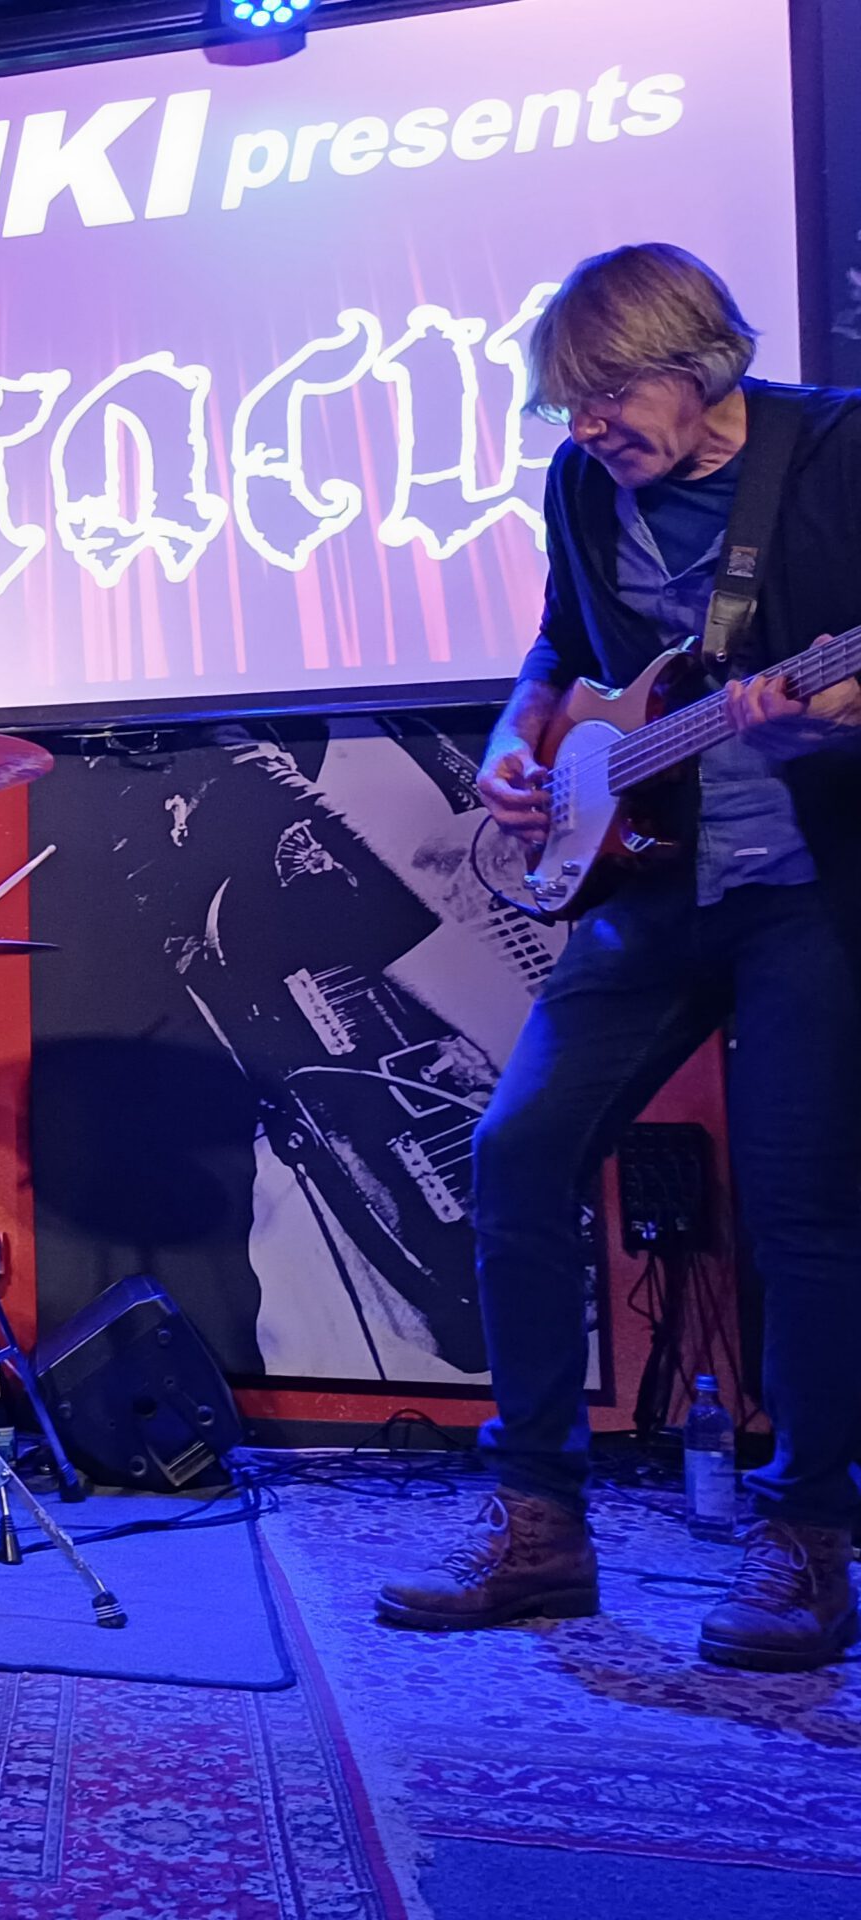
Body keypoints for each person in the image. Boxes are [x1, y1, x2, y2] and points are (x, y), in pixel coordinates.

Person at [377, 245, 861, 1671]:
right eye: (569, 404)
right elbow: (555, 651)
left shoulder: (836, 450)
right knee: (515, 1156)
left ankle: (808, 1539)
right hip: (645, 887)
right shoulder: (583, 487)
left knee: (802, 1215)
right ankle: (539, 1525)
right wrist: (514, 745)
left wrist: (833, 720)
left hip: (808, 891)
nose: (587, 426)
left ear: (702, 360)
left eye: (610, 395)